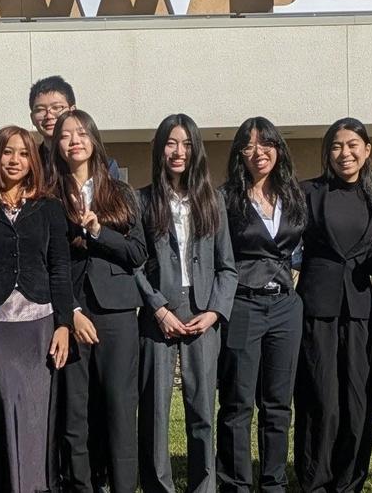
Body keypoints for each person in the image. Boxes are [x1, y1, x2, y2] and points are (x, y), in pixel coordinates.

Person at [0, 125, 74, 493]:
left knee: (37, 411)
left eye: (24, 153)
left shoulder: (49, 208)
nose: (15, 160)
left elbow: (60, 267)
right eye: (8, 152)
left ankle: (37, 485)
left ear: (33, 161)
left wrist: (64, 324)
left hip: (40, 323)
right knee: (4, 402)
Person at [133, 113, 237, 493]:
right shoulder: (143, 200)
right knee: (155, 412)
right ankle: (158, 487)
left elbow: (228, 267)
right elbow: (135, 264)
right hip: (158, 314)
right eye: (171, 143)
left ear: (196, 151)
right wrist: (158, 308)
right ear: (160, 149)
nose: (179, 152)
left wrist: (214, 313)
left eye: (187, 144)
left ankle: (203, 487)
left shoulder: (213, 201)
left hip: (202, 313)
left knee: (202, 409)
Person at [294, 118, 372, 493]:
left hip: (358, 310)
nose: (345, 153)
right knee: (319, 398)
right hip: (316, 307)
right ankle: (314, 480)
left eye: (353, 145)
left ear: (367, 150)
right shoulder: (307, 192)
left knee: (357, 400)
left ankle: (350, 481)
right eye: (336, 146)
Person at [50, 109, 148, 493]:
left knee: (120, 410)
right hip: (71, 315)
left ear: (93, 139)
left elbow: (137, 253)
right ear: (57, 145)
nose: (74, 140)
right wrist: (71, 311)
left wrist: (97, 231)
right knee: (75, 414)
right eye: (65, 135)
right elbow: (48, 261)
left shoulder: (120, 192)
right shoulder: (48, 195)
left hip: (117, 314)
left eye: (81, 132)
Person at [215, 117, 307, 493]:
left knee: (278, 404)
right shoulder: (225, 198)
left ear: (278, 149)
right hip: (243, 304)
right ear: (240, 153)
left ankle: (273, 483)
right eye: (249, 146)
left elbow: (301, 245)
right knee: (237, 403)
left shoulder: (293, 194)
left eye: (266, 144)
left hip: (285, 306)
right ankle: (235, 484)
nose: (258, 152)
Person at [28, 75, 120, 181]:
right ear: (32, 118)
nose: (49, 116)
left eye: (56, 107)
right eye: (40, 110)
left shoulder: (103, 166)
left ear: (72, 110)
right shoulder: (29, 165)